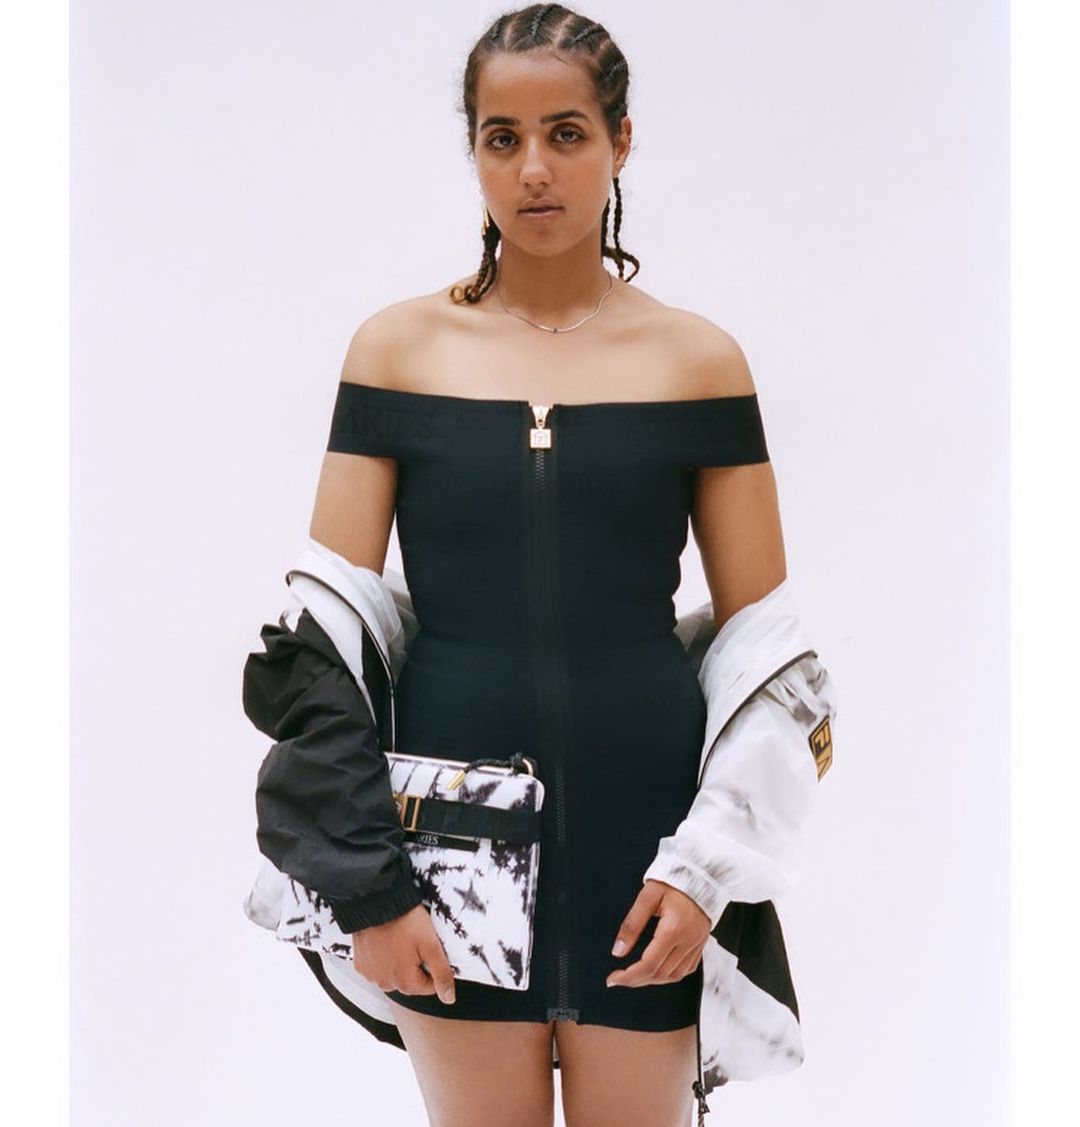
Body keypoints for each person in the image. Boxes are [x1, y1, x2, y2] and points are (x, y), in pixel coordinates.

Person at [249, 5, 812, 1126]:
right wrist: (371, 886)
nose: (535, 169)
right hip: (447, 851)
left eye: (567, 133)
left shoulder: (699, 362)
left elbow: (772, 663)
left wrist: (707, 869)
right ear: (473, 150)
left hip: (649, 853)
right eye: (502, 138)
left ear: (621, 141)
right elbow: (320, 646)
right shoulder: (397, 351)